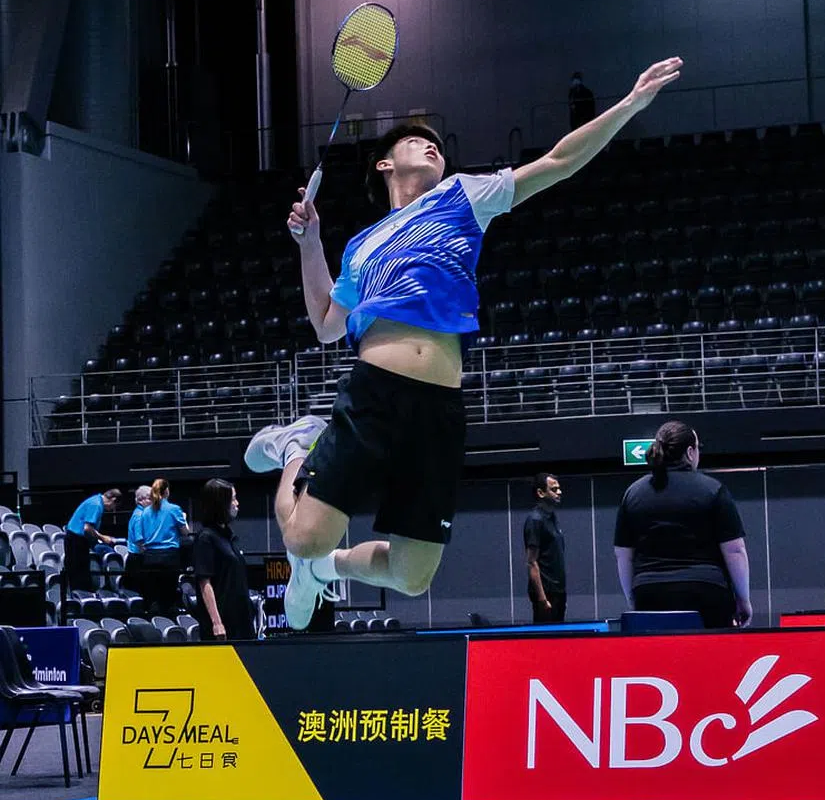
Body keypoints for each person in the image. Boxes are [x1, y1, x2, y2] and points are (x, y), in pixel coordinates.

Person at [242, 56, 684, 630]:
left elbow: (557, 162)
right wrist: (310, 243)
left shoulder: (462, 196)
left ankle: (326, 569)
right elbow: (327, 322)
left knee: (411, 575)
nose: (431, 146)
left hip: (439, 407)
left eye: (435, 143)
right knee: (302, 537)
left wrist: (628, 105)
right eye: (415, 140)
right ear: (384, 163)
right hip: (375, 393)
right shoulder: (362, 245)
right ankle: (295, 448)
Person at [613, 420, 751, 629]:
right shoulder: (713, 489)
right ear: (690, 452)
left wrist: (633, 598)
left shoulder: (633, 493)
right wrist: (743, 599)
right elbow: (735, 550)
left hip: (650, 591)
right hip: (707, 591)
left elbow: (623, 555)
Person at [192, 479, 254, 640]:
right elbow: (204, 583)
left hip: (241, 621)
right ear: (220, 504)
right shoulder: (205, 538)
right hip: (223, 626)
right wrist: (217, 623)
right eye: (233, 499)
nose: (237, 504)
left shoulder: (228, 536)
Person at [126, 479, 190, 616]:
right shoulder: (174, 509)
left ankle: (156, 622)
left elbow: (140, 538)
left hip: (150, 557)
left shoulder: (145, 512)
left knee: (153, 596)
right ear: (166, 491)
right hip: (169, 556)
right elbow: (185, 532)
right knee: (169, 596)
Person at [523, 471, 566, 624]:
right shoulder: (535, 520)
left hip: (558, 591)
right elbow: (531, 562)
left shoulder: (552, 517)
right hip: (546, 593)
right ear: (541, 493)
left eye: (559, 488)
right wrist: (542, 598)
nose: (559, 492)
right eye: (554, 489)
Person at [64, 488, 121, 590]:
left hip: (76, 539)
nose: (113, 509)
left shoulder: (95, 500)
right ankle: (80, 596)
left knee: (79, 572)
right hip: (77, 540)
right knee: (79, 574)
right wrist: (102, 538)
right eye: (115, 506)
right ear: (113, 499)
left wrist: (101, 537)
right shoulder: (96, 505)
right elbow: (87, 528)